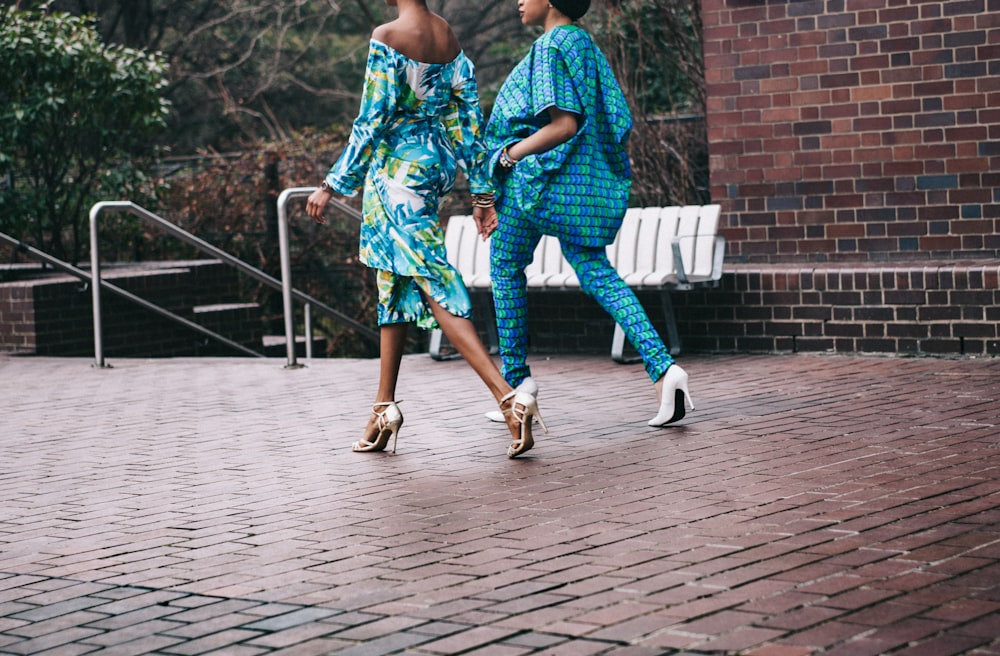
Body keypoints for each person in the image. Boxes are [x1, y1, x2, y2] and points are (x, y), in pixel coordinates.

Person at [306, 0, 545, 457]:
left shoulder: (388, 35)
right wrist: (481, 193)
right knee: (393, 282)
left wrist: (331, 184)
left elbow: (371, 118)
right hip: (432, 169)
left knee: (434, 280)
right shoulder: (447, 37)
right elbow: (468, 121)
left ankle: (508, 398)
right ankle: (383, 408)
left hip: (396, 174)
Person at [483, 0, 694, 427]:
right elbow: (613, 120)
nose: (518, 1)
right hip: (575, 187)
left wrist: (508, 156)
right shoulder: (585, 45)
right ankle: (664, 370)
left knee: (505, 267)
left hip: (539, 184)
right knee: (597, 272)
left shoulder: (550, 46)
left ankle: (518, 385)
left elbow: (564, 125)